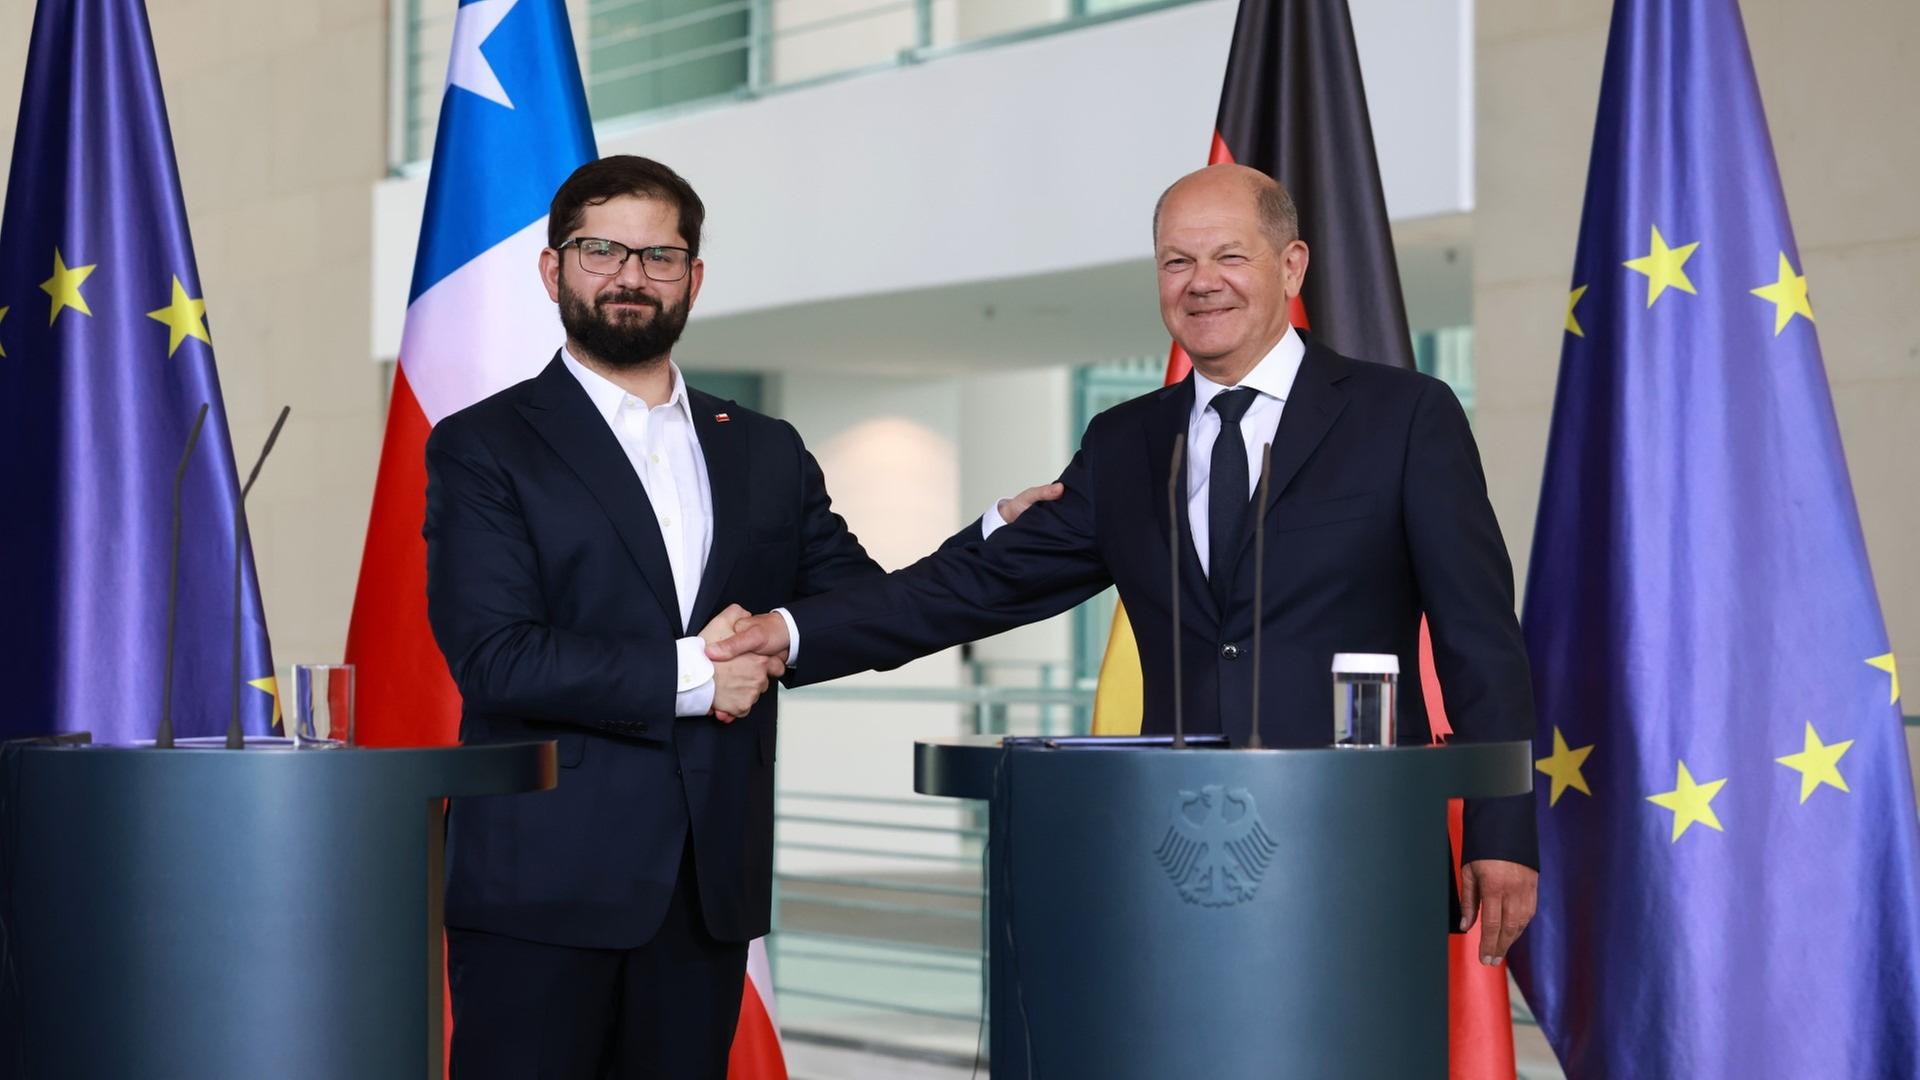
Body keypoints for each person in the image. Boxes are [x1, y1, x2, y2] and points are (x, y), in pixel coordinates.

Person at [713, 163, 1541, 963]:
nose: (1200, 281)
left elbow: (1480, 638)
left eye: (1228, 256)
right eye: (1177, 260)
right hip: (1177, 857)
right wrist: (788, 631)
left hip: (1360, 848)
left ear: (1291, 267)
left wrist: (1503, 830)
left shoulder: (1403, 416)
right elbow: (975, 588)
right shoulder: (1127, 442)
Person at [422, 154, 1058, 1078]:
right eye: (602, 250)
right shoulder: (485, 443)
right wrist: (696, 674)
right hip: (540, 898)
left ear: (695, 278)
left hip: (703, 897)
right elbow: (496, 657)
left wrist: (993, 537)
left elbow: (857, 606)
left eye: (660, 256)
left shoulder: (763, 448)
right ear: (553, 268)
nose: (631, 276)